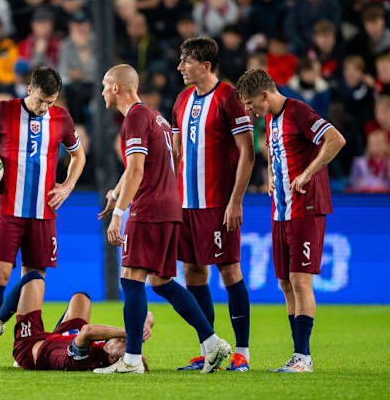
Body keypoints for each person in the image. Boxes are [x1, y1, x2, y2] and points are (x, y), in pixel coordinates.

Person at [94, 64, 231, 374]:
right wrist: (116, 192)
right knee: (162, 281)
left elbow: (139, 169)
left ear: (117, 87)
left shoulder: (134, 118)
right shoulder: (155, 117)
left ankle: (130, 361)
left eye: (105, 84)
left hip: (150, 208)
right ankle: (211, 343)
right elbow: (143, 166)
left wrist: (118, 215)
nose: (102, 91)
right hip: (171, 206)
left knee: (131, 279)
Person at [0, 66, 86, 369]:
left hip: (44, 213)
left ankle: (24, 349)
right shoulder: (3, 111)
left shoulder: (62, 118)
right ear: (29, 91)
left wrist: (68, 186)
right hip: (7, 210)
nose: (45, 108)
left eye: (50, 102)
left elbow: (78, 155)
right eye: (41, 101)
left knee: (34, 281)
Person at [236, 67, 346, 373]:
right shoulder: (271, 120)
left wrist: (308, 173)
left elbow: (336, 139)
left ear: (264, 94)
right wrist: (272, 175)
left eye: (250, 104)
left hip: (306, 207)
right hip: (281, 209)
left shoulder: (297, 110)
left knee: (300, 279)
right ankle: (298, 355)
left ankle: (303, 357)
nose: (250, 110)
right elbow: (276, 153)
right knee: (285, 282)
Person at [172, 37, 255, 371]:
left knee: (229, 270)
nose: (180, 67)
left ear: (206, 65)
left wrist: (235, 200)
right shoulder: (180, 100)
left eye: (186, 61)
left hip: (217, 204)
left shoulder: (229, 98)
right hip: (185, 204)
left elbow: (248, 152)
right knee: (192, 272)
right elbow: (177, 152)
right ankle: (211, 349)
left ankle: (243, 353)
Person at [0, 271, 153, 371]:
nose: (124, 340)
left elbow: (88, 331)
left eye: (123, 343)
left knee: (33, 279)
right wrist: (145, 324)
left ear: (114, 359)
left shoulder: (88, 358)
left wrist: (132, 332)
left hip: (30, 348)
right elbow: (149, 315)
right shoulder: (104, 347)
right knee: (81, 298)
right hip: (59, 339)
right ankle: (56, 334)